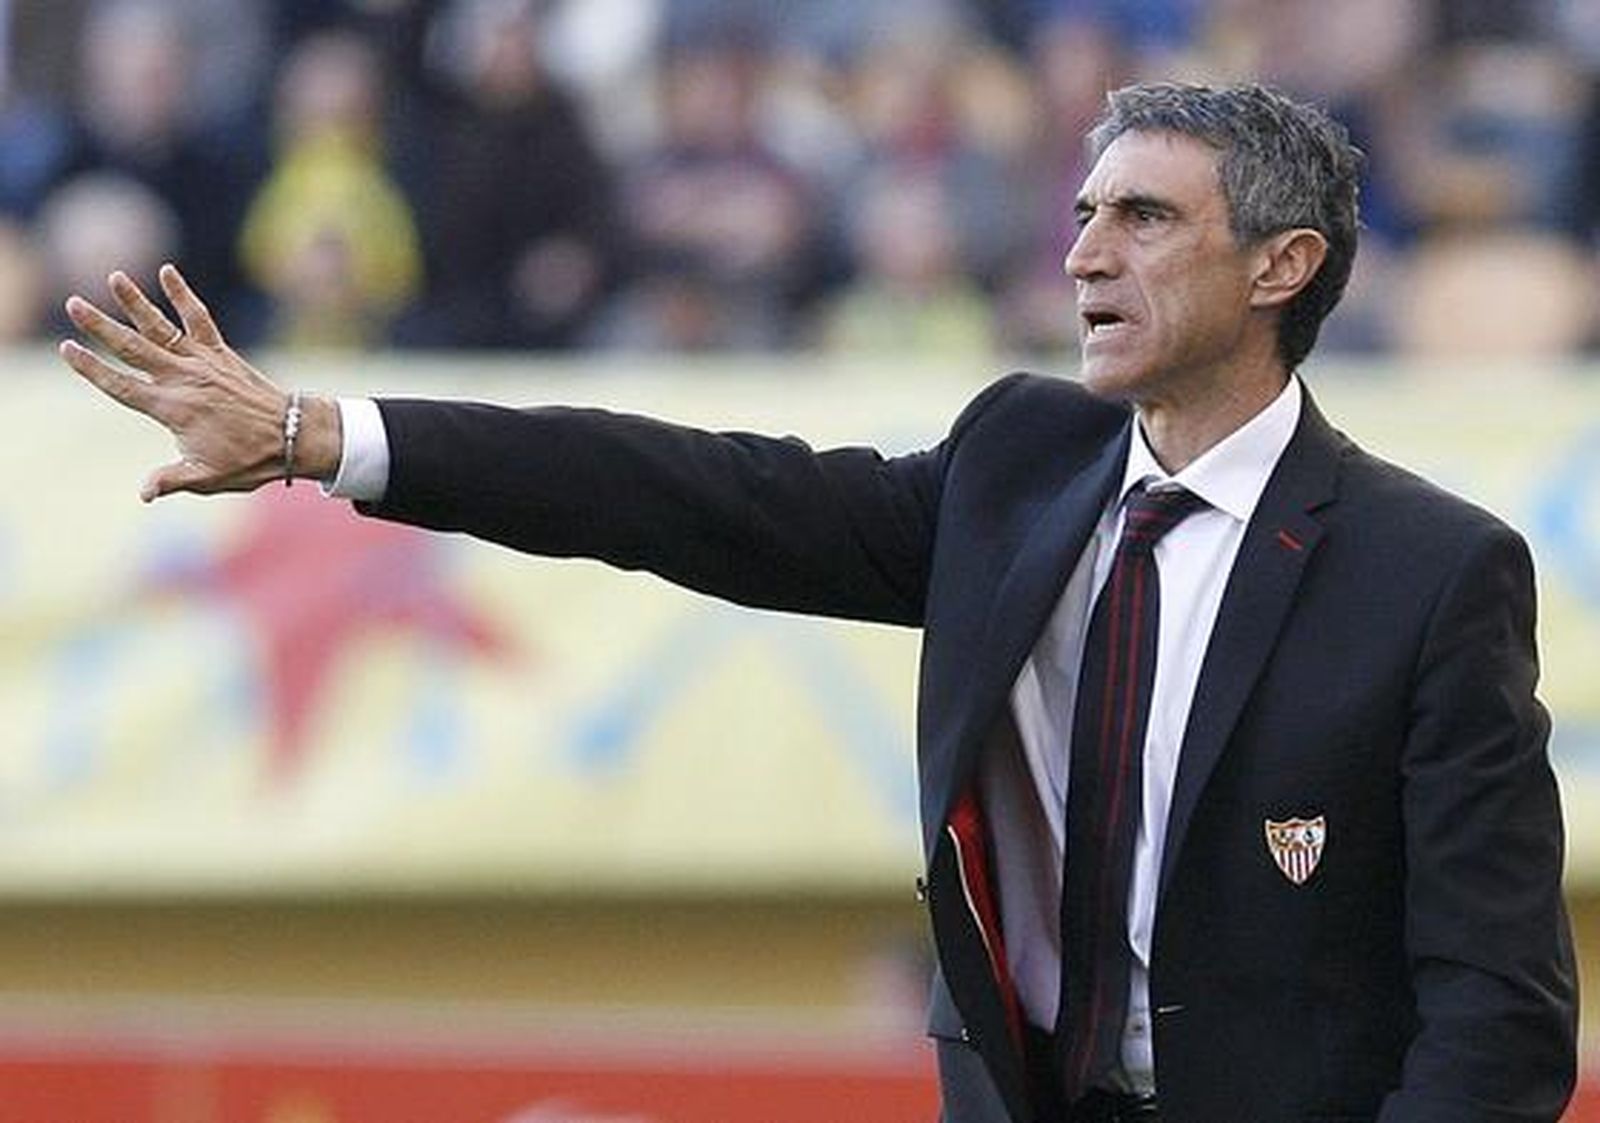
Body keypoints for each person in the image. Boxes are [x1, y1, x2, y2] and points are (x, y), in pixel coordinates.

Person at [57, 82, 1576, 1122]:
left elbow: (1497, 1010)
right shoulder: (1018, 465)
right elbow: (689, 493)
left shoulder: (1431, 571)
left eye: (1145, 219)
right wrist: (325, 435)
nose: (1082, 254)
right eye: (1082, 212)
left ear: (1282, 265)